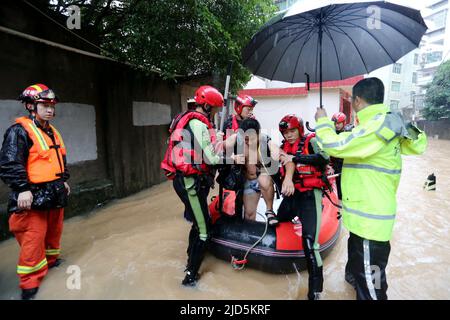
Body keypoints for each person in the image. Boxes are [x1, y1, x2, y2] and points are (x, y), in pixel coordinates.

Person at [314, 77, 427, 300]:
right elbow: (419, 144)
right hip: (364, 221)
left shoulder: (376, 126)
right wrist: (407, 125)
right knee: (358, 274)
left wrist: (322, 121)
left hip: (370, 224)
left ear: (356, 100)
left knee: (372, 289)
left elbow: (335, 145)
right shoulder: (388, 123)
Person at [161, 85, 242, 287]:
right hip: (190, 183)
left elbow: (203, 151)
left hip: (186, 180)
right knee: (205, 230)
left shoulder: (190, 121)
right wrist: (233, 158)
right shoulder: (198, 124)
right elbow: (211, 158)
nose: (215, 113)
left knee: (198, 224)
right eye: (213, 109)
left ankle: (190, 260)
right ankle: (190, 277)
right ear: (206, 106)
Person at [0, 84, 70, 300]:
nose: (50, 110)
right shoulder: (19, 131)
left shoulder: (50, 131)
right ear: (31, 106)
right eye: (44, 105)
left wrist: (63, 181)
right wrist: (21, 189)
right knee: (32, 239)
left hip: (54, 192)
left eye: (52, 106)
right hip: (32, 194)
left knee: (53, 232)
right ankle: (29, 284)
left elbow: (59, 159)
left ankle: (51, 261)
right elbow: (10, 163)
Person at [277, 114, 330, 300]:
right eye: (285, 132)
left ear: (299, 129)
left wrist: (296, 157)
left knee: (309, 243)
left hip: (310, 195)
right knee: (279, 217)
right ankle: (295, 217)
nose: (289, 135)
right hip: (293, 196)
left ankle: (315, 292)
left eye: (292, 131)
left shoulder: (311, 141)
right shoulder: (282, 147)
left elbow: (324, 157)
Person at [223, 95, 276, 225]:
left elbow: (276, 151)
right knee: (249, 215)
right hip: (246, 179)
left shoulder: (262, 137)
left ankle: (270, 211)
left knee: (264, 178)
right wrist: (232, 157)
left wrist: (274, 158)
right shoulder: (234, 132)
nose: (251, 111)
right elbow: (219, 149)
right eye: (248, 108)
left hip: (261, 178)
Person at [330, 112, 353, 200]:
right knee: (337, 187)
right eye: (335, 123)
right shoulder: (332, 132)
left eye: (339, 123)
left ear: (344, 123)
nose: (337, 125)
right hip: (335, 163)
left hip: (346, 163)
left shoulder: (348, 131)